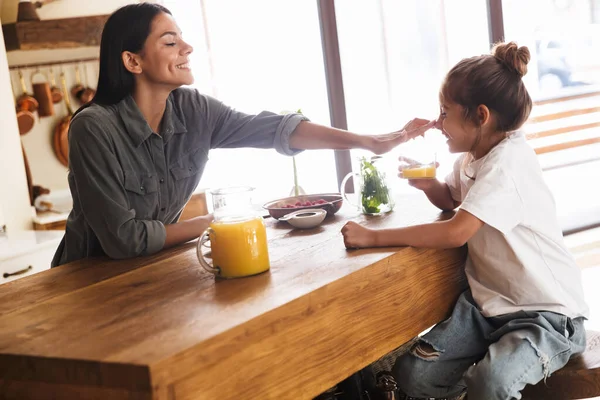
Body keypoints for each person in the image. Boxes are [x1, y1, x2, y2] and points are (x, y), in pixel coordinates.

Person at [51, 3, 432, 267]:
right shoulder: (93, 128)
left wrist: (368, 141)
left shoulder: (193, 109)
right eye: (170, 42)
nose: (187, 47)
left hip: (150, 271)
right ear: (132, 61)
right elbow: (123, 241)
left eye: (182, 38)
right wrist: (217, 222)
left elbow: (275, 129)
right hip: (88, 283)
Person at [341, 42, 589, 399]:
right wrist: (429, 185)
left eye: (444, 113)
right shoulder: (473, 157)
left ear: (481, 116)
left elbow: (457, 231)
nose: (437, 123)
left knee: (491, 382)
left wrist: (372, 237)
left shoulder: (508, 164)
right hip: (487, 309)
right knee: (414, 375)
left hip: (546, 315)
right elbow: (452, 199)